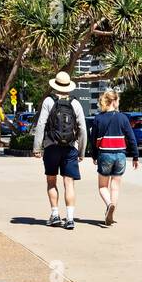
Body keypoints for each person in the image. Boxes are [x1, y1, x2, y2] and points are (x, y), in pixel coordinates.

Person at [32, 72, 87, 230]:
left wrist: (37, 148)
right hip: (70, 147)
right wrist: (81, 151)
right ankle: (70, 219)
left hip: (51, 147)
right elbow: (82, 128)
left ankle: (55, 215)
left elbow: (41, 124)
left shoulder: (49, 101)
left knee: (51, 181)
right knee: (69, 183)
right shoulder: (75, 103)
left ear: (55, 84)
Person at [89, 89, 138, 226]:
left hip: (105, 154)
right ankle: (112, 210)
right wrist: (135, 156)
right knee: (115, 187)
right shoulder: (123, 118)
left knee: (102, 186)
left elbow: (93, 140)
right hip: (121, 155)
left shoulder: (99, 118)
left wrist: (94, 155)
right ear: (115, 101)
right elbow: (131, 138)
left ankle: (109, 204)